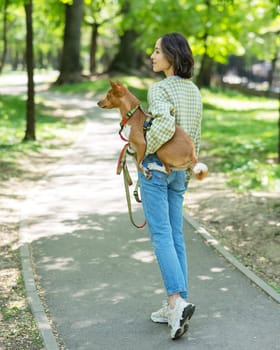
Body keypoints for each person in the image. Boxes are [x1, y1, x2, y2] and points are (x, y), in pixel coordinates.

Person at [138, 33, 202, 340]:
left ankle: (176, 302)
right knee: (176, 235)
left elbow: (162, 125)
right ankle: (176, 302)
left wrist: (144, 151)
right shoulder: (194, 92)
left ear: (171, 57)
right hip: (179, 170)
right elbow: (194, 138)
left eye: (157, 51)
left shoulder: (159, 89)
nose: (152, 56)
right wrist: (187, 170)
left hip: (156, 168)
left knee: (162, 234)